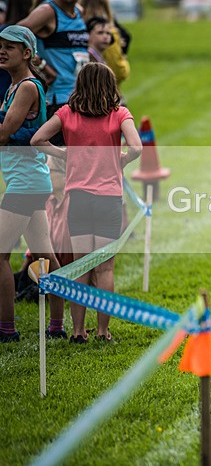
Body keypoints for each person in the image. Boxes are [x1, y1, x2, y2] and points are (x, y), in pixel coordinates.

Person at [31, 62, 142, 343]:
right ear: (110, 86)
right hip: (109, 199)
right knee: (104, 267)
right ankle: (103, 331)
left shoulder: (67, 113)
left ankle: (78, 331)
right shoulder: (119, 114)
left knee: (81, 266)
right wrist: (123, 160)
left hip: (78, 198)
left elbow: (37, 139)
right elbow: (137, 147)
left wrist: (65, 155)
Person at [0, 25, 64, 342]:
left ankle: (7, 329)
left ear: (26, 53)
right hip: (29, 180)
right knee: (44, 255)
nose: (1, 50)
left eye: (9, 47)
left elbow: (4, 133)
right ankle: (57, 326)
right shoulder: (14, 87)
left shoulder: (26, 87)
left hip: (25, 184)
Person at [19, 0, 90, 146]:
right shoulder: (47, 12)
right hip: (58, 102)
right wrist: (40, 64)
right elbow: (13, 38)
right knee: (62, 166)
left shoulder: (79, 11)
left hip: (81, 99)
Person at [79, 0, 130, 88]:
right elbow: (118, 71)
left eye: (107, 34)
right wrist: (125, 65)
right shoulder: (110, 30)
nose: (106, 36)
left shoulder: (77, 30)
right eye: (101, 33)